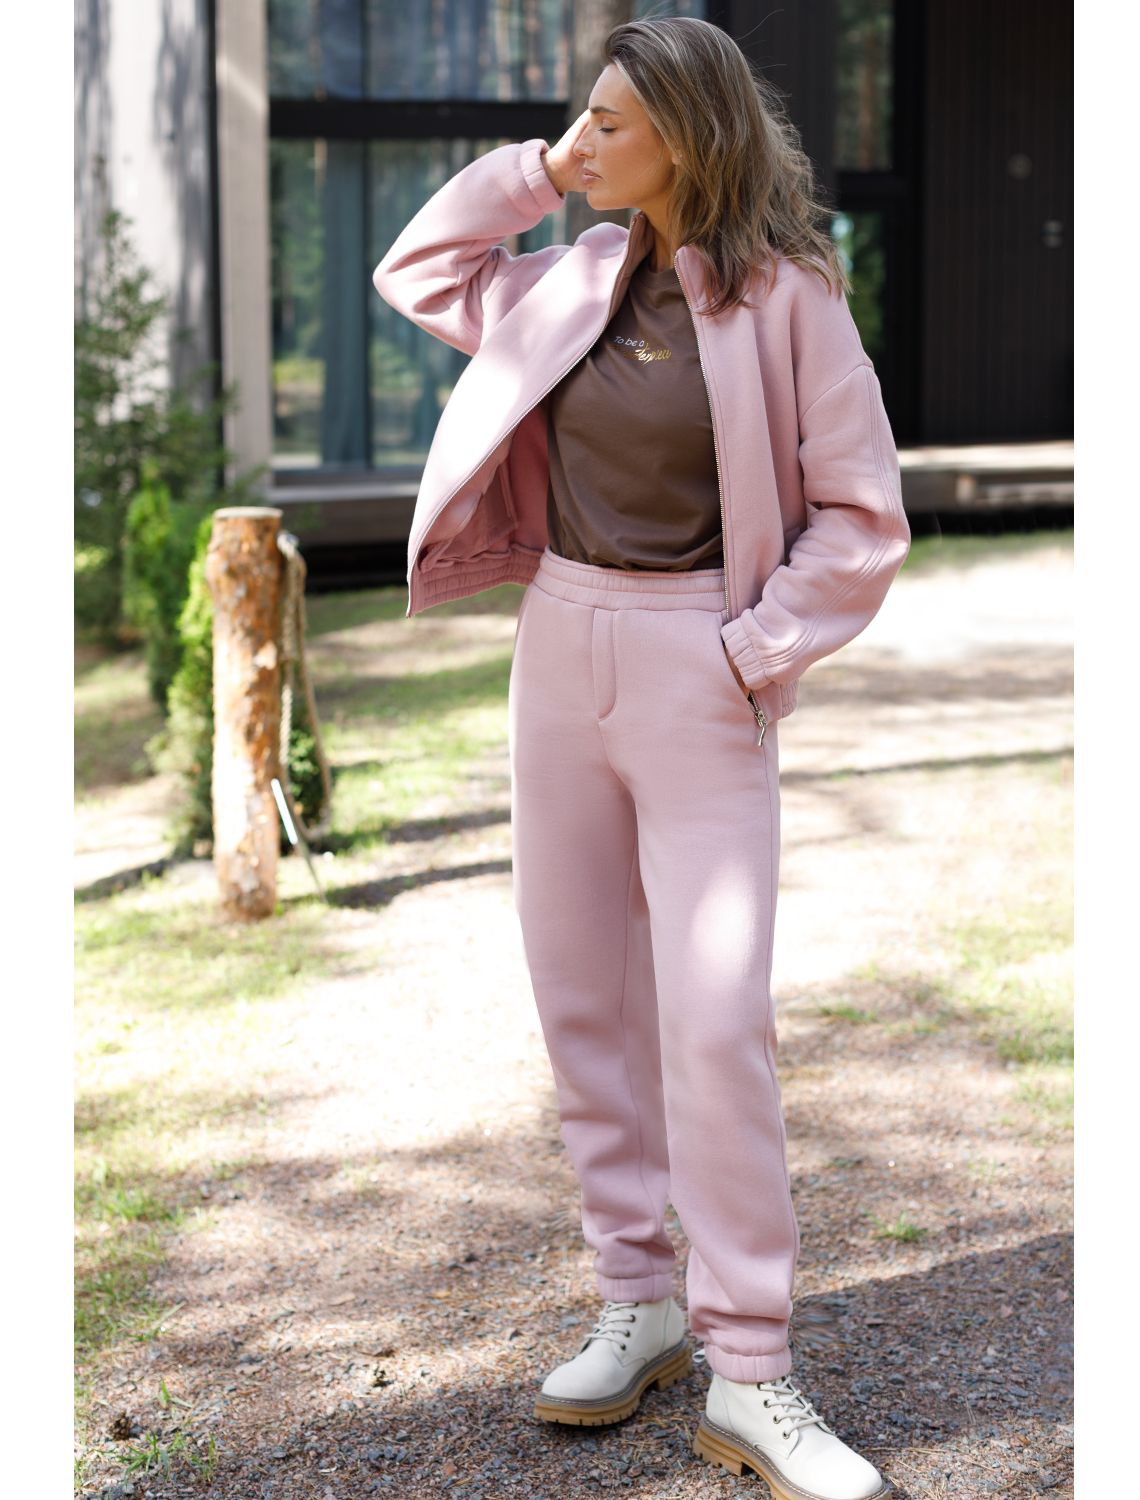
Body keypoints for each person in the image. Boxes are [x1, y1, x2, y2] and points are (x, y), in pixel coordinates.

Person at [373, 17, 909, 1500]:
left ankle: (753, 1366)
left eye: (610, 124)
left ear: (690, 135)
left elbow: (863, 516)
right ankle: (640, 1300)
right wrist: (541, 175)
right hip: (559, 647)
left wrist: (756, 647)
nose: (583, 142)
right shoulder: (564, 277)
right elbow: (417, 269)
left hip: (700, 662)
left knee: (714, 1021)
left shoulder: (789, 297)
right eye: (581, 120)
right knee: (582, 999)